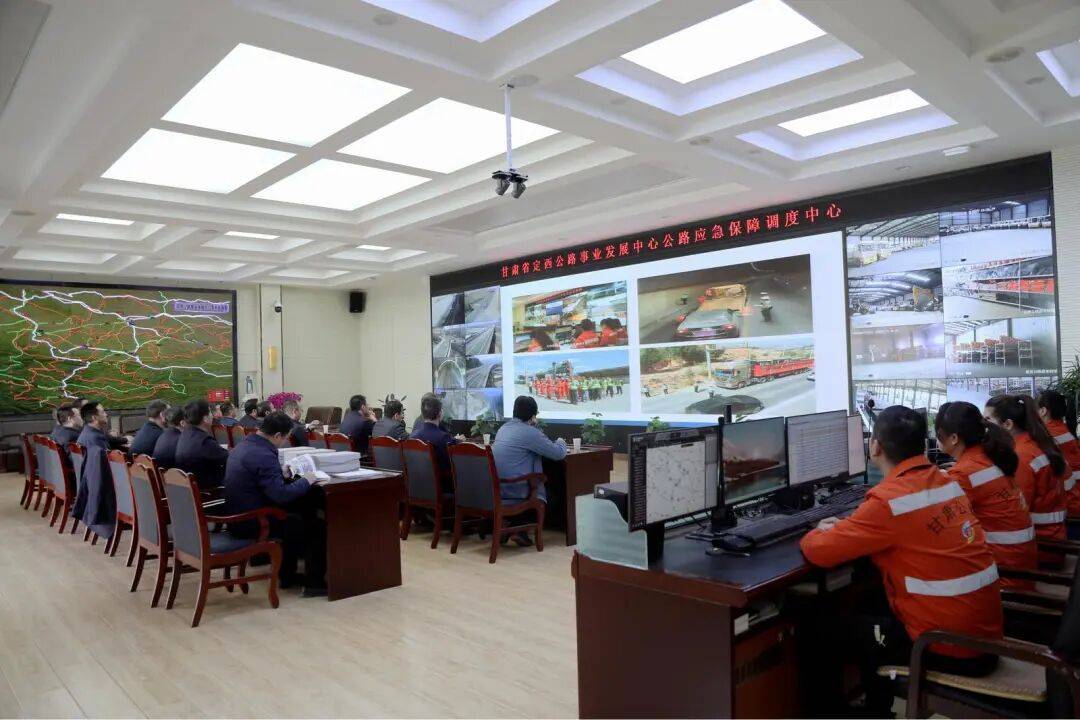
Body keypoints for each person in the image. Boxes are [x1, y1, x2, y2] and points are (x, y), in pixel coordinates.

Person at [800, 405, 1002, 716]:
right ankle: (875, 705)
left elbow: (818, 551)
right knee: (868, 602)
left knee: (819, 627)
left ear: (875, 447)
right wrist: (854, 528)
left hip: (946, 647)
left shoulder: (888, 502)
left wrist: (818, 530)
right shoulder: (947, 482)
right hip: (984, 637)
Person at [224, 412, 326, 596]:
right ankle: (315, 584)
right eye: (286, 438)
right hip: (253, 522)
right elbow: (281, 495)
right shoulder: (264, 454)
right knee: (315, 526)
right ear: (277, 435)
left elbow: (263, 481)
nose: (285, 442)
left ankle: (287, 575)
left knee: (302, 512)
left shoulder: (244, 445)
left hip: (237, 516)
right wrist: (307, 480)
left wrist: (280, 474)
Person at [936, 401, 1036, 587]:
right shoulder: (991, 457)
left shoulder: (964, 473)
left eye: (939, 434)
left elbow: (943, 525)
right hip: (1020, 564)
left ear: (954, 438)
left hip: (1003, 574)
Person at [985, 394, 1068, 560]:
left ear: (1008, 424)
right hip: (1051, 537)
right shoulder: (1032, 444)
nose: (984, 426)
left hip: (1041, 545)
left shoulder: (1021, 456)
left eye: (988, 420)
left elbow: (1015, 510)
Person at [492, 396, 566, 545]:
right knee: (553, 496)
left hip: (498, 488)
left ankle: (511, 527)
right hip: (516, 489)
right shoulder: (530, 432)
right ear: (533, 416)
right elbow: (558, 454)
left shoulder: (503, 429)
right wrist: (560, 441)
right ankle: (518, 529)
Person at [74, 401, 117, 539]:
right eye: (103, 412)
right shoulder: (95, 441)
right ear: (94, 417)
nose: (106, 414)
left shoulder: (88, 434)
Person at [1037, 389, 1080, 519]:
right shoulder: (1063, 429)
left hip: (1068, 501)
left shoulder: (1047, 436)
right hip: (1074, 494)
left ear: (1043, 411)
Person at [175, 398, 229, 489]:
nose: (212, 416)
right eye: (210, 412)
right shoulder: (204, 441)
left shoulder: (185, 434)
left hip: (191, 488)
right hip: (210, 491)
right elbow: (229, 458)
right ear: (205, 418)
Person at [410, 395, 458, 484]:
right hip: (443, 486)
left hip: (417, 486)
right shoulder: (443, 438)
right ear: (440, 414)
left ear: (422, 414)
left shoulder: (412, 437)